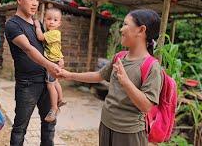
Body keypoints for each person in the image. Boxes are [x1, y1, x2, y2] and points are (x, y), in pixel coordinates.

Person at [59, 9, 163, 146]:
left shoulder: (152, 67)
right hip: (106, 124)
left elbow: (146, 106)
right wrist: (69, 75)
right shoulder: (120, 57)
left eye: (126, 24)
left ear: (141, 30)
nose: (121, 29)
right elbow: (99, 75)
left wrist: (126, 82)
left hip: (129, 133)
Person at [4, 0, 61, 146]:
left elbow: (49, 46)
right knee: (20, 128)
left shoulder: (38, 25)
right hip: (27, 84)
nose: (35, 3)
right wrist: (49, 65)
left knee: (49, 124)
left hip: (45, 81)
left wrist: (58, 60)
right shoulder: (12, 25)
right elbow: (28, 49)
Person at [34, 8, 66, 122]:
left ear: (59, 23)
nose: (51, 22)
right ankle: (60, 99)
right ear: (45, 20)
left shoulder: (54, 33)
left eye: (55, 20)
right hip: (56, 60)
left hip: (52, 62)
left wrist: (37, 26)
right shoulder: (51, 33)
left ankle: (54, 108)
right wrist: (61, 57)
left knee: (50, 85)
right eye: (49, 19)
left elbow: (40, 37)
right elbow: (57, 48)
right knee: (55, 82)